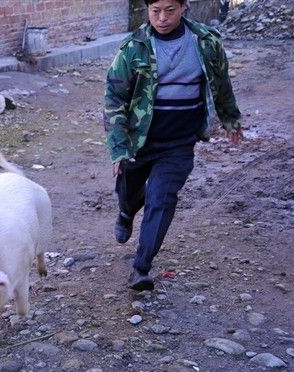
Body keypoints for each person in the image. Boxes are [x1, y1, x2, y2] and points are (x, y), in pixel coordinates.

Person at [104, 0, 242, 291]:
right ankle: (127, 211)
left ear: (183, 7)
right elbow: (114, 99)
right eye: (156, 11)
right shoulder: (133, 48)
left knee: (161, 199)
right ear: (147, 10)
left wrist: (230, 118)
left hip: (179, 143)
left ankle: (141, 268)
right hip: (139, 142)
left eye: (170, 10)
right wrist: (119, 148)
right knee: (127, 191)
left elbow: (221, 82)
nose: (163, 18)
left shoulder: (205, 43)